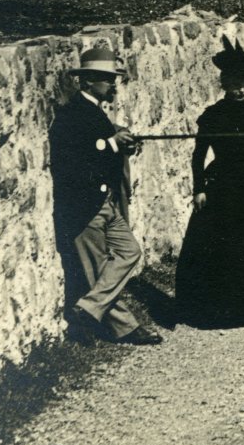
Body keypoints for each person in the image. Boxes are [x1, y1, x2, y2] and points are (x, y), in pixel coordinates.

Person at [48, 43, 163, 345]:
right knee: (98, 267)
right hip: (83, 205)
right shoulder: (72, 114)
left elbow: (102, 144)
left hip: (104, 202)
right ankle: (125, 327)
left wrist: (120, 143)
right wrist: (113, 143)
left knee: (130, 252)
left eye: (112, 78)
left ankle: (88, 308)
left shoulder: (94, 112)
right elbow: (76, 157)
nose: (112, 84)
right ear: (87, 81)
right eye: (106, 78)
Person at [175, 37, 244, 327]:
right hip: (221, 188)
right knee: (219, 246)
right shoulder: (213, 116)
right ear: (224, 83)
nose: (239, 88)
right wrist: (198, 189)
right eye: (234, 82)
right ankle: (216, 306)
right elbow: (199, 155)